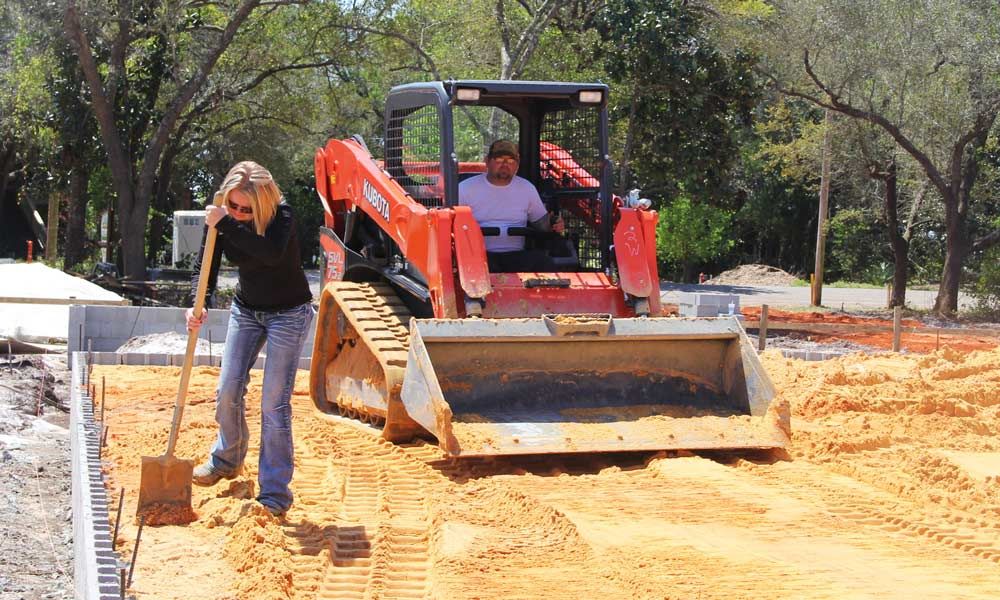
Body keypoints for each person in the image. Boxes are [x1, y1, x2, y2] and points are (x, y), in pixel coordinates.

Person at [185, 161, 314, 517]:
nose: (239, 214)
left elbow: (269, 254)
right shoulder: (223, 221)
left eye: (246, 209)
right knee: (227, 388)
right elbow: (206, 265)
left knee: (273, 404)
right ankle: (227, 459)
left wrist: (223, 221)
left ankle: (274, 493)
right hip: (247, 310)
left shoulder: (282, 217)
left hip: (290, 313)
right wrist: (197, 302)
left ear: (263, 203)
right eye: (233, 206)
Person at [458, 139, 565, 272]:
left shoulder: (526, 188)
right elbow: (453, 225)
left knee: (544, 263)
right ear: (487, 161)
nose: (504, 165)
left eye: (510, 161)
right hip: (479, 256)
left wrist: (554, 224)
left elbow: (542, 224)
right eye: (499, 160)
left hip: (517, 256)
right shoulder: (465, 189)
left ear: (517, 164)